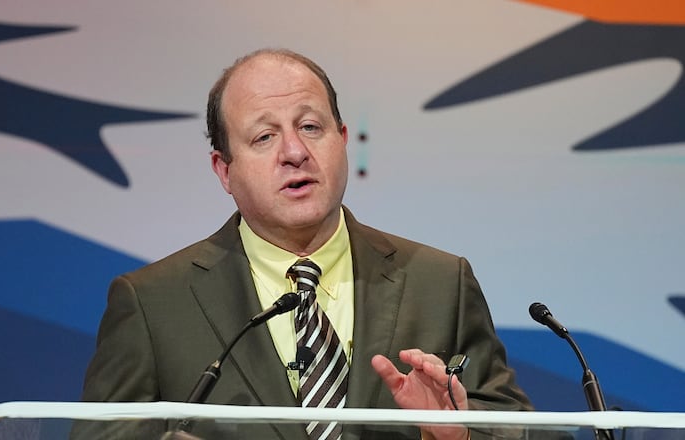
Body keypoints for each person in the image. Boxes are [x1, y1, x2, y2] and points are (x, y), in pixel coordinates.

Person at [78, 48, 533, 440]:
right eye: (264, 136)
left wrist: (462, 431)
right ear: (224, 170)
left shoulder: (439, 283)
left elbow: (534, 430)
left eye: (311, 127)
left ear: (342, 140)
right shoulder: (155, 303)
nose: (294, 151)